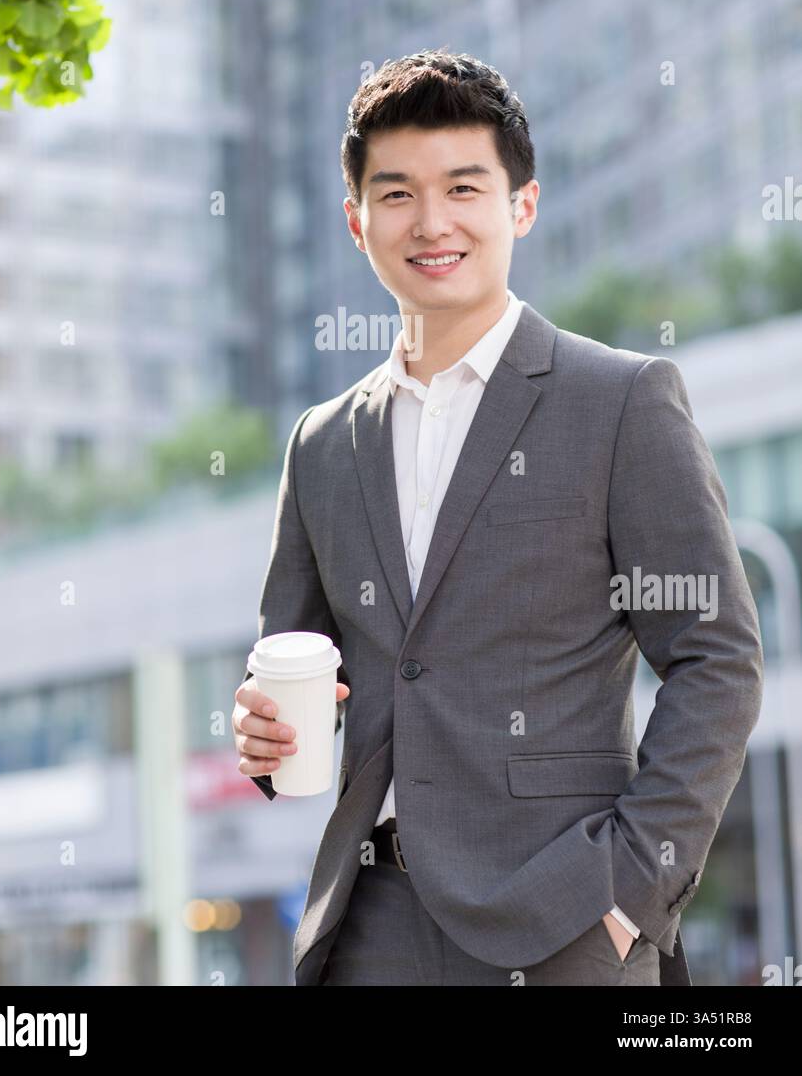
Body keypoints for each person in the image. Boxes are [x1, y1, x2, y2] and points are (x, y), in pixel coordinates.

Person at [233, 50, 764, 986]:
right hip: (370, 925)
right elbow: (296, 670)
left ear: (520, 205)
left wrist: (630, 891)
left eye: (463, 188)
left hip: (564, 920)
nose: (431, 222)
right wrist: (264, 742)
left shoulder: (621, 402)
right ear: (357, 222)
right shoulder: (321, 444)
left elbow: (717, 657)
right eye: (396, 195)